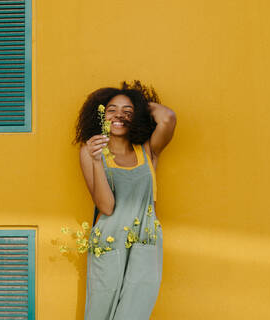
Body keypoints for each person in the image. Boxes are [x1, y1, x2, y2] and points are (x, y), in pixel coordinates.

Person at [73, 80, 177, 320]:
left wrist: (136, 105)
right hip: (109, 239)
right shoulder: (90, 151)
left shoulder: (148, 150)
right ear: (100, 115)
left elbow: (168, 118)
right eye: (111, 110)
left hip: (145, 238)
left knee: (135, 312)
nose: (119, 115)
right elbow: (106, 206)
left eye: (127, 112)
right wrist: (97, 161)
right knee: (100, 312)